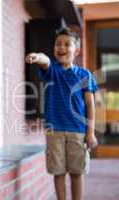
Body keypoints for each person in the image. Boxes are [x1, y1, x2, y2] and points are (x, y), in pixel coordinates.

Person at [25, 28, 98, 200]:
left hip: (78, 131)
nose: (62, 47)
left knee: (76, 172)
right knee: (58, 173)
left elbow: (90, 104)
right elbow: (45, 61)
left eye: (67, 44)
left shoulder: (84, 74)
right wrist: (36, 56)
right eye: (58, 44)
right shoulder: (53, 71)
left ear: (77, 50)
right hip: (54, 130)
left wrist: (91, 132)